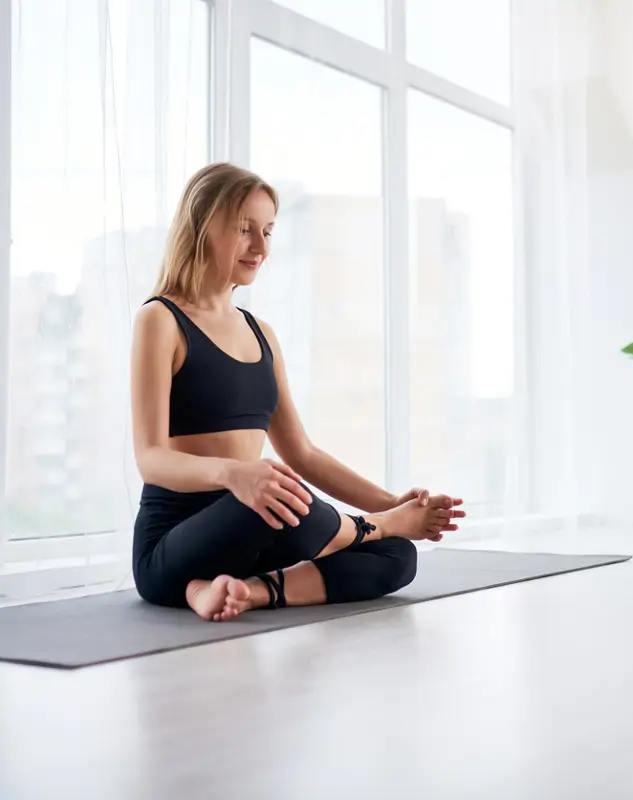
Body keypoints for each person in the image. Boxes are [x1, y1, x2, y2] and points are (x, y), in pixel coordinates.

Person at [130, 162, 465, 622]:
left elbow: (303, 453)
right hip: (176, 540)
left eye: (268, 231)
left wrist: (392, 502)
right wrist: (234, 475)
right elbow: (150, 457)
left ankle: (240, 591)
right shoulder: (160, 320)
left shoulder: (260, 332)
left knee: (397, 556)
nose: (261, 247)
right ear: (203, 227)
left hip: (258, 522)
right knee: (272, 495)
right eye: (245, 230)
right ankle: (367, 529)